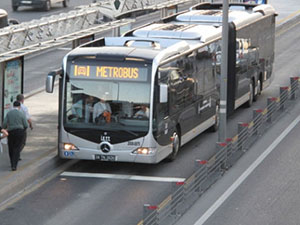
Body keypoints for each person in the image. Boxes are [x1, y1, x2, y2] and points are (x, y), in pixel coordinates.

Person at [3, 101, 28, 171]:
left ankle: (12, 163)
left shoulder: (9, 113)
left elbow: (4, 124)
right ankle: (14, 165)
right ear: (19, 107)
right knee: (17, 148)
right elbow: (26, 125)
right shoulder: (21, 114)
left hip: (11, 132)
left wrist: (4, 129)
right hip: (19, 132)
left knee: (11, 147)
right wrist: (23, 130)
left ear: (13, 106)